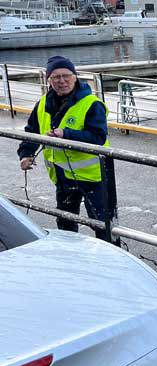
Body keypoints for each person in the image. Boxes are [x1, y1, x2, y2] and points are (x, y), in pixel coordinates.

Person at [17, 56, 111, 241]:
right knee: (66, 222)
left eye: (66, 76)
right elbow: (32, 131)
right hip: (62, 175)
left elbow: (98, 137)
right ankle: (69, 258)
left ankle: (112, 261)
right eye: (56, 77)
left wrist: (66, 134)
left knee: (101, 223)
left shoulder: (92, 104)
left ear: (75, 77)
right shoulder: (43, 103)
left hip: (93, 175)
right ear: (48, 80)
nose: (62, 81)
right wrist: (25, 153)